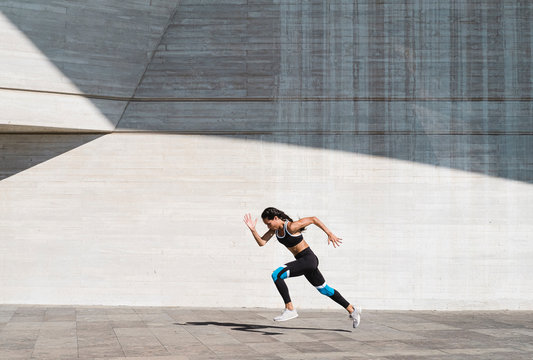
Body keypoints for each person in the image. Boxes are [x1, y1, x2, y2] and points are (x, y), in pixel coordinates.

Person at [243, 207, 361, 328]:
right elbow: (262, 242)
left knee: (276, 275)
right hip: (303, 261)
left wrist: (330, 234)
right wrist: (253, 230)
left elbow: (313, 219)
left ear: (276, 218)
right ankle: (352, 310)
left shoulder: (291, 227)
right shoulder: (275, 231)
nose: (268, 227)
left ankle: (290, 309)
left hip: (308, 259)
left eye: (269, 223)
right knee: (324, 289)